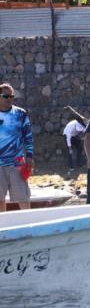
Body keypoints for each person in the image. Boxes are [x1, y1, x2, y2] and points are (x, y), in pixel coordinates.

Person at [0, 83, 33, 212]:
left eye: (12, 96)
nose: (9, 99)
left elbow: (28, 136)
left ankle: (29, 225)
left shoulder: (20, 114)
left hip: (17, 163)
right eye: (6, 96)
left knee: (23, 197)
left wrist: (29, 156)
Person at [63, 105, 87, 171]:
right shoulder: (70, 130)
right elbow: (68, 138)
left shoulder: (82, 124)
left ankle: (79, 163)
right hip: (67, 136)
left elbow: (85, 133)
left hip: (74, 136)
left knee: (80, 146)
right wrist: (70, 147)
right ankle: (71, 167)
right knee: (70, 151)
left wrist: (84, 138)